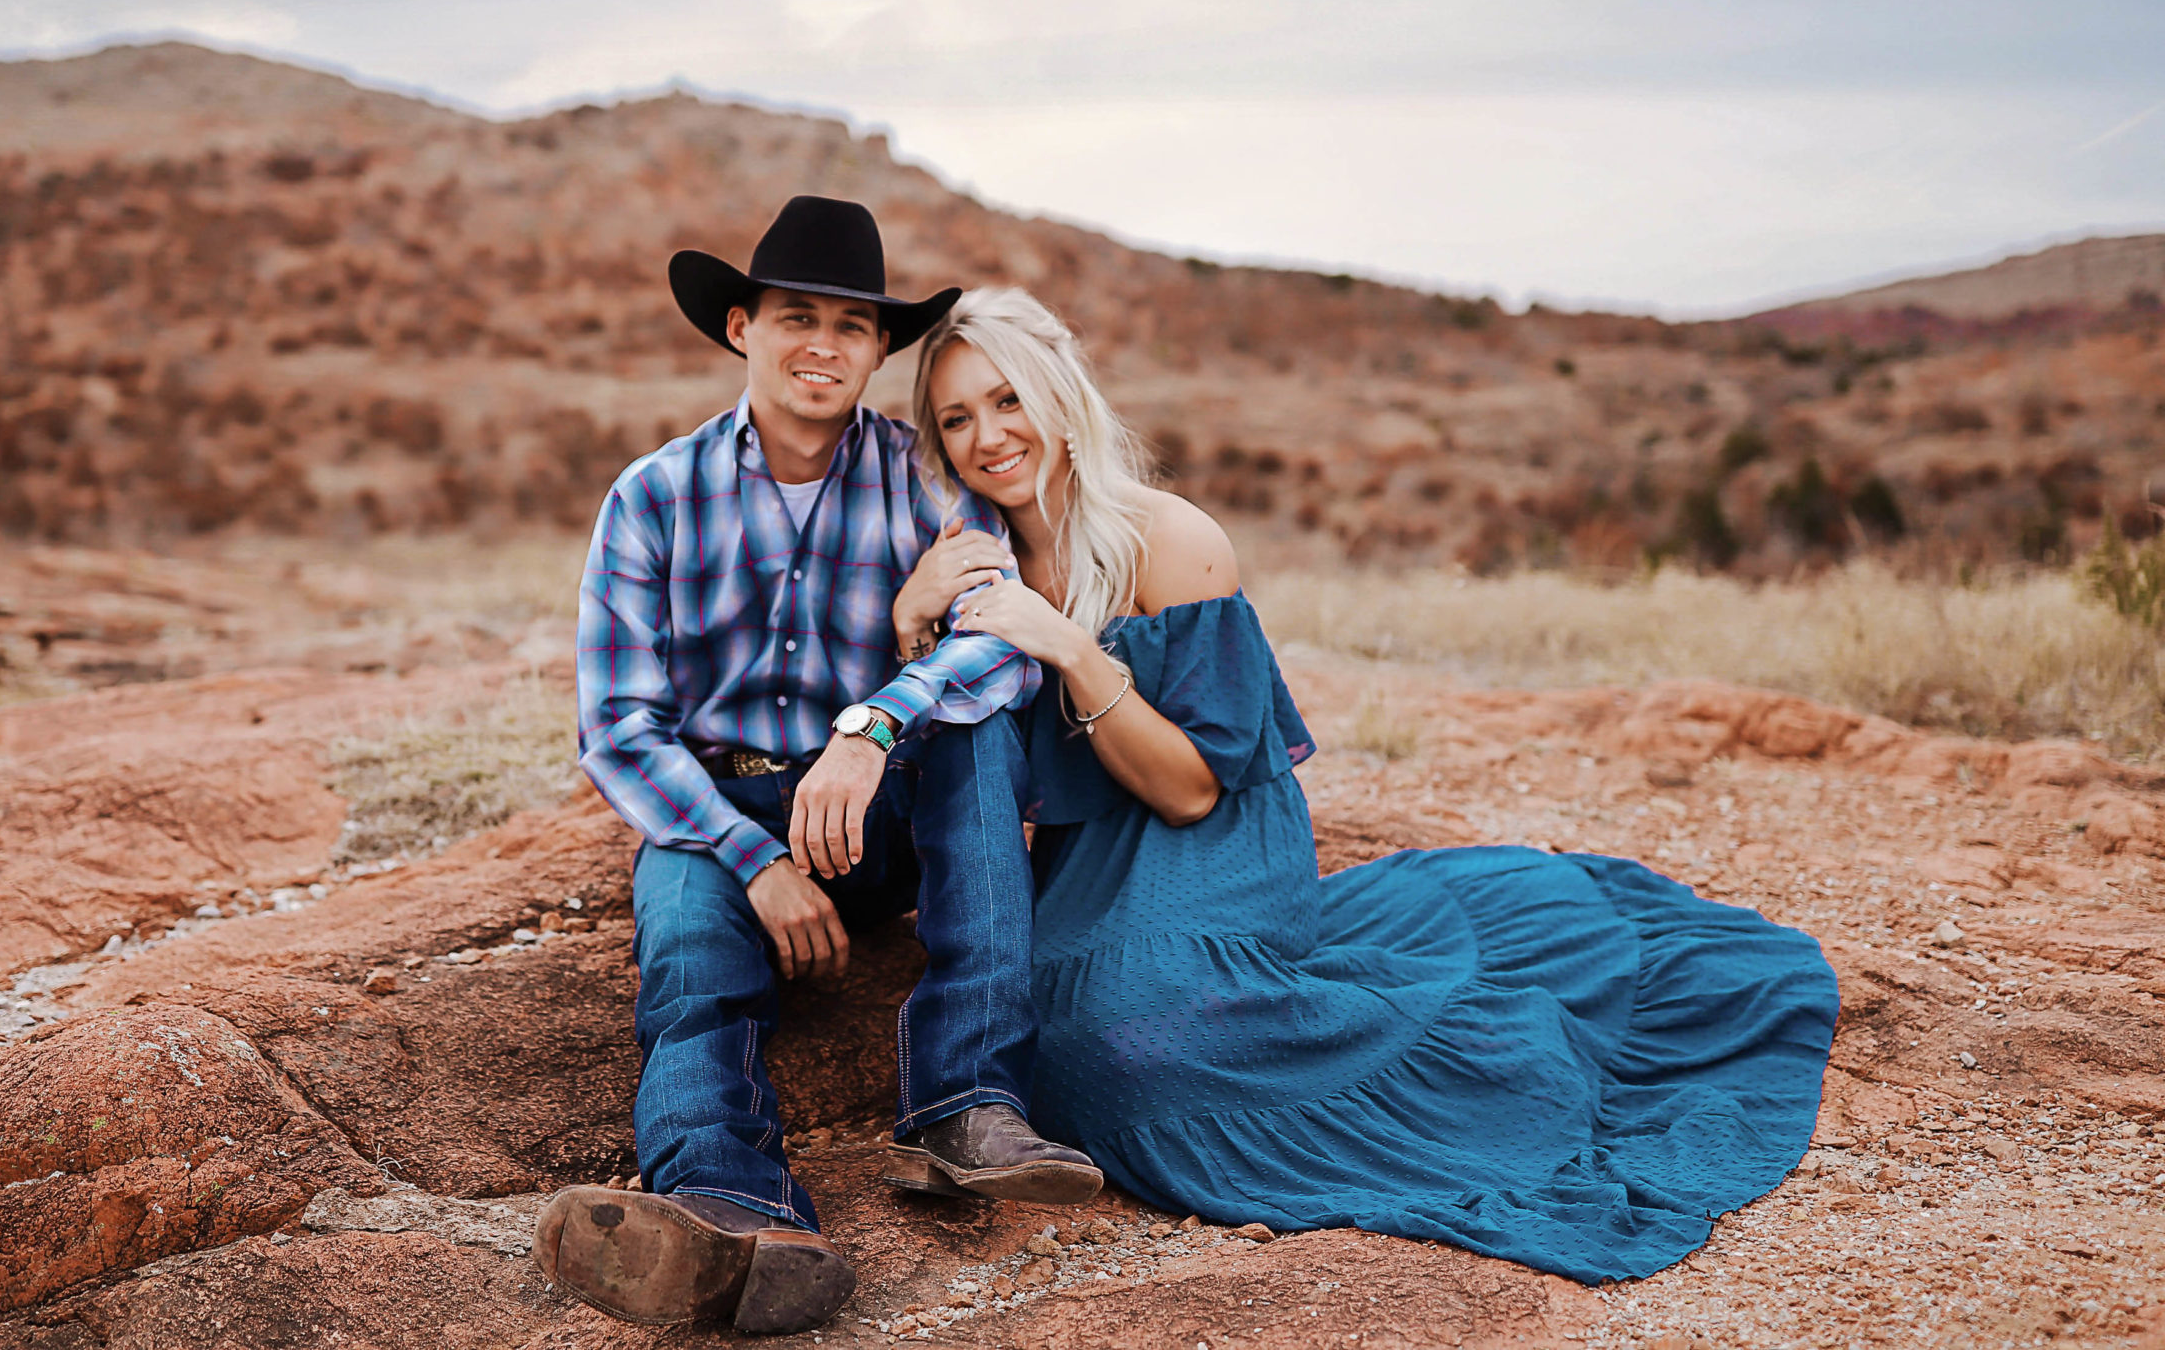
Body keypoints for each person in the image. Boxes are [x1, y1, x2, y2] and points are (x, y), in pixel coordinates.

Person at [896, 285, 1840, 1285]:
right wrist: (911, 621)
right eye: (957, 417)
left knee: (1146, 1031)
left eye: (1008, 400)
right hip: (1089, 870)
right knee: (1068, 1047)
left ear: (1059, 394)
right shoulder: (970, 559)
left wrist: (1070, 650)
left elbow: (1190, 789)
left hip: (1210, 844)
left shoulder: (1168, 538)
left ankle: (1488, 1070)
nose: (988, 435)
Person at [535, 199, 1102, 1337]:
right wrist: (756, 860)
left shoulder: (922, 481)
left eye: (852, 326)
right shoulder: (653, 495)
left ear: (877, 350)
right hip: (718, 807)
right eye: (797, 316)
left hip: (873, 810)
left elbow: (1000, 638)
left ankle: (966, 1104)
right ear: (741, 325)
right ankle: (730, 1208)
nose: (822, 346)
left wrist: (873, 724)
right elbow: (619, 727)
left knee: (976, 722)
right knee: (693, 959)